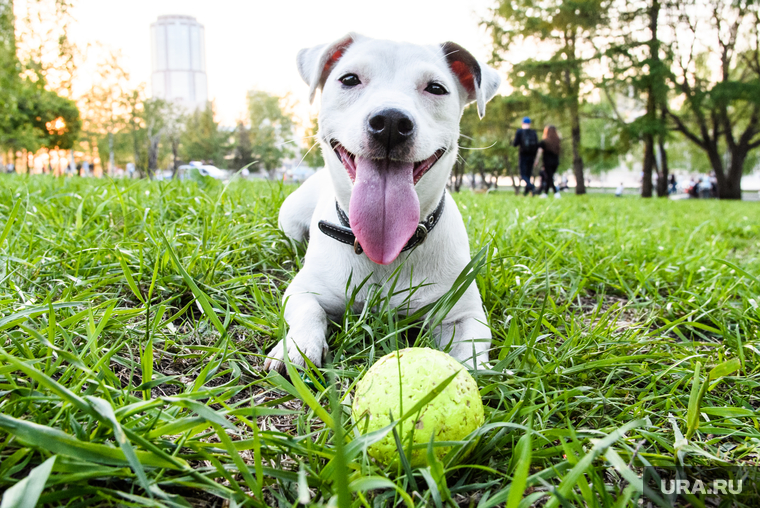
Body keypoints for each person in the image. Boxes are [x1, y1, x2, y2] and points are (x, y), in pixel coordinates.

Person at [512, 117, 539, 195]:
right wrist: (536, 158)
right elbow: (536, 145)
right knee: (528, 174)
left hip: (523, 155)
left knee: (523, 174)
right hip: (531, 156)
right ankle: (526, 192)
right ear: (530, 124)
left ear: (522, 123)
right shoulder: (533, 132)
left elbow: (515, 144)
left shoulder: (520, 132)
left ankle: (531, 187)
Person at [534, 125, 562, 198]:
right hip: (555, 162)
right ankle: (545, 193)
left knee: (549, 177)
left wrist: (536, 160)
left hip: (547, 162)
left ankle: (556, 192)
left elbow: (539, 151)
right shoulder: (557, 141)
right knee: (548, 177)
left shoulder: (544, 142)